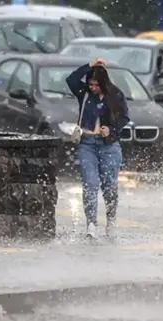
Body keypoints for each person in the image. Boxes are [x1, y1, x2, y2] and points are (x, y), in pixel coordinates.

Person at [66, 58, 129, 239]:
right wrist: (89, 65)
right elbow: (71, 80)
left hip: (109, 145)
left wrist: (112, 129)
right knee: (90, 184)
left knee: (109, 186)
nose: (92, 87)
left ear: (103, 83)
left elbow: (124, 117)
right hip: (87, 144)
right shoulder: (84, 94)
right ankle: (91, 223)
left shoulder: (115, 94)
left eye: (96, 85)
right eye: (90, 84)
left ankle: (111, 220)